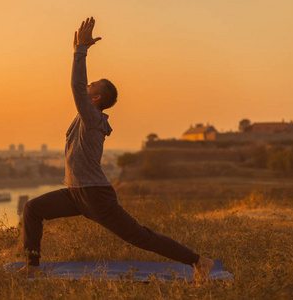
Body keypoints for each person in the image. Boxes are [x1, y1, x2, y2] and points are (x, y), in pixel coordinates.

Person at [18, 17, 214, 279]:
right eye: (90, 84)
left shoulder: (93, 118)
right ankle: (32, 268)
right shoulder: (88, 116)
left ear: (96, 98)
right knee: (33, 209)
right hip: (76, 193)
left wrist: (81, 52)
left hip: (95, 195)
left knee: (140, 237)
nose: (87, 87)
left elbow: (76, 86)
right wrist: (76, 51)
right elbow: (79, 87)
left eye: (92, 86)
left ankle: (199, 261)